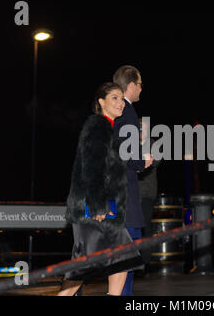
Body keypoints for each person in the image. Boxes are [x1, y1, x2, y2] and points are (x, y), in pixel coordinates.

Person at [58, 82, 141, 296]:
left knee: (124, 258)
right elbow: (91, 168)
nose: (120, 102)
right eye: (114, 97)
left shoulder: (109, 128)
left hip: (106, 208)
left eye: (121, 98)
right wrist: (98, 206)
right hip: (93, 209)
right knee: (82, 268)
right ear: (101, 102)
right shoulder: (98, 126)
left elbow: (107, 170)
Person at [113, 65, 153, 295]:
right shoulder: (127, 112)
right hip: (126, 196)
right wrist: (142, 161)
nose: (141, 88)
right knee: (128, 256)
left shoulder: (113, 112)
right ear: (130, 85)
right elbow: (128, 153)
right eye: (139, 84)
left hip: (117, 193)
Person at [138, 118, 161, 270]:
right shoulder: (129, 144)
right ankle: (131, 261)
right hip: (130, 195)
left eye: (142, 128)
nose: (140, 131)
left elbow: (156, 161)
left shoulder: (152, 144)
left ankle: (145, 262)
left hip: (146, 194)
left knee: (145, 227)